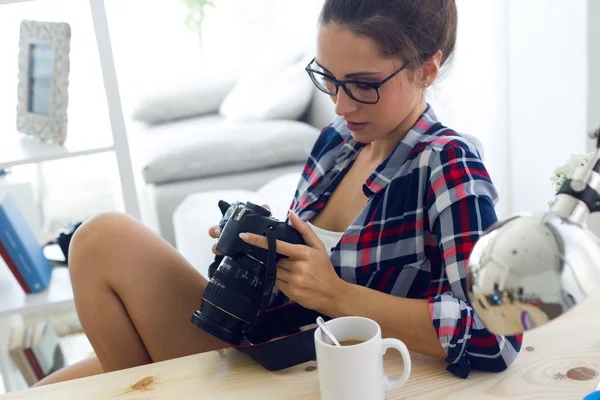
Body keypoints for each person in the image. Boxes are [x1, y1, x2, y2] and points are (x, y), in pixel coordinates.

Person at [35, 0, 521, 386]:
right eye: (328, 79)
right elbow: (299, 275)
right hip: (258, 338)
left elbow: (495, 334)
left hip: (307, 371)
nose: (341, 102)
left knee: (104, 240)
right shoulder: (338, 142)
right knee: (94, 255)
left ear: (428, 70)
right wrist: (254, 247)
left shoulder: (447, 164)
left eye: (364, 85)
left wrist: (338, 295)